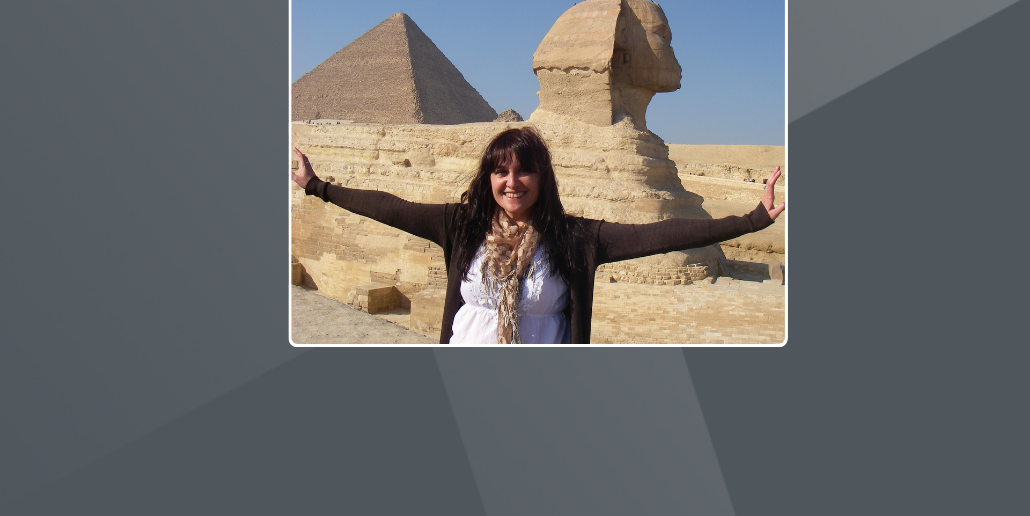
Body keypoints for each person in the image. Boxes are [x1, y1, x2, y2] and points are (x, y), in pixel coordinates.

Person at [290, 127, 784, 344]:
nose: (512, 182)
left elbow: (660, 233)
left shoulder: (576, 239)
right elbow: (392, 208)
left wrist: (750, 221)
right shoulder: (462, 226)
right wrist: (316, 186)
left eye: (524, 171)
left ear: (543, 177)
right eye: (501, 172)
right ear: (488, 178)